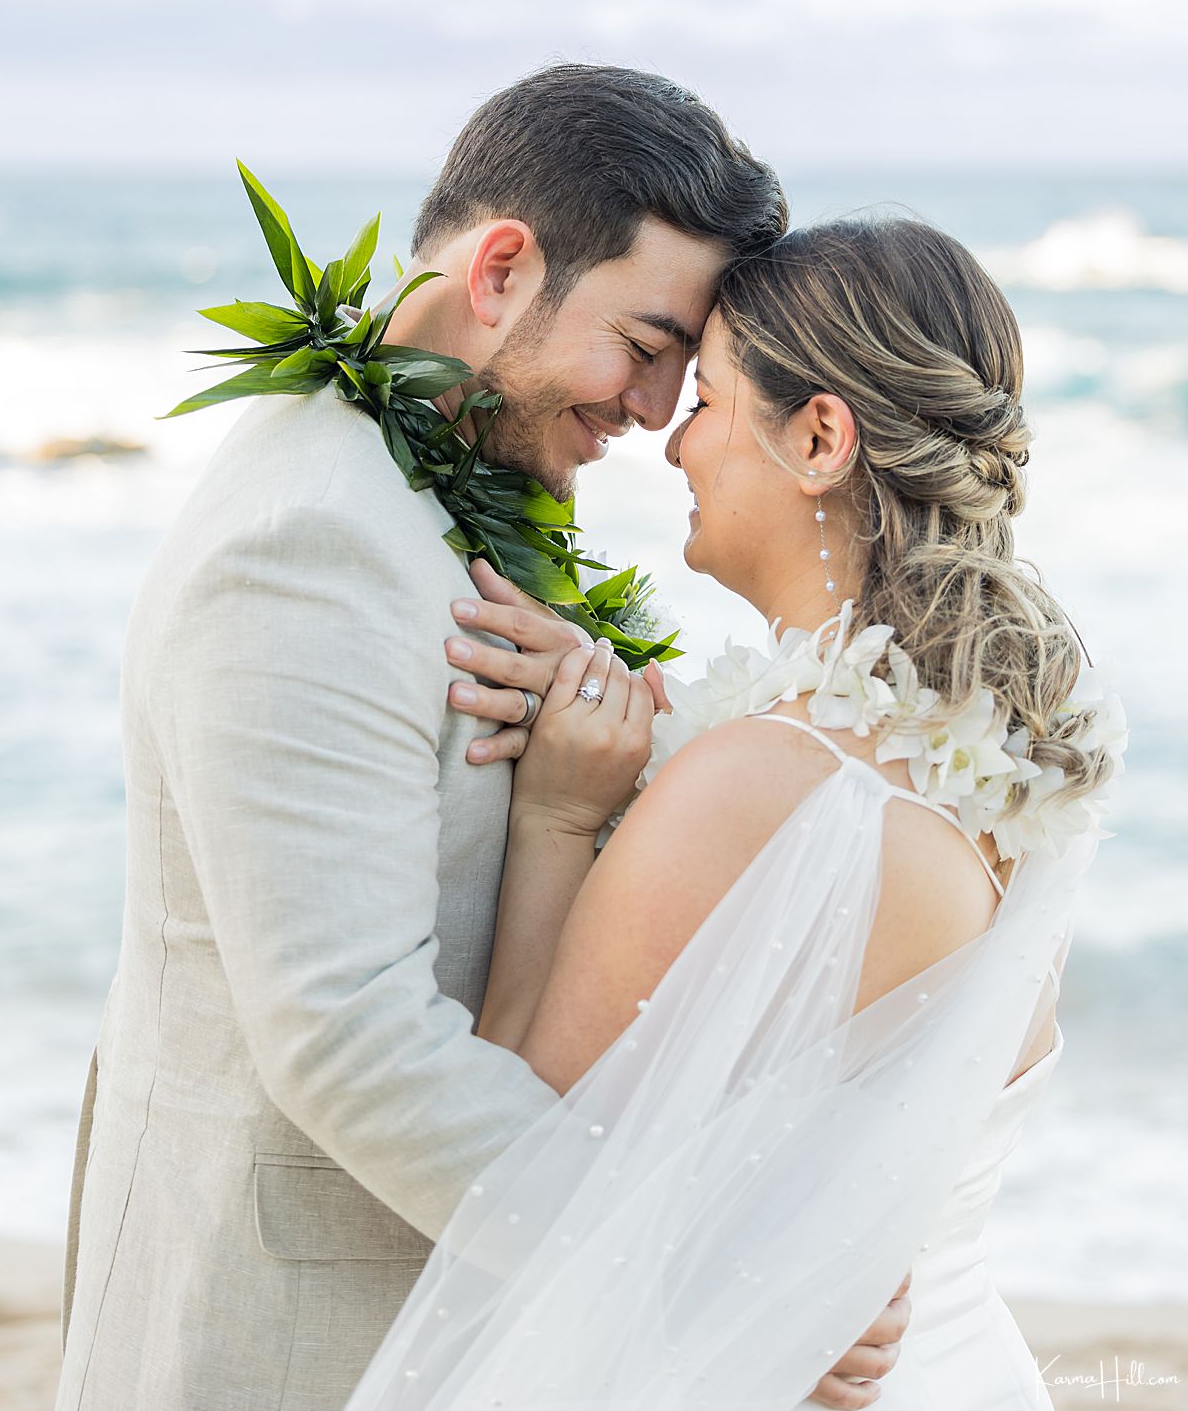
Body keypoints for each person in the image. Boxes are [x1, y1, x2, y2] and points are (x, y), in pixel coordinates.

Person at [55, 66, 905, 1410]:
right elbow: (351, 1039)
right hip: (288, 1336)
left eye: (679, 373)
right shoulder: (309, 548)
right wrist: (706, 1275)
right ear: (503, 268)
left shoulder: (437, 488)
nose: (649, 413)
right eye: (642, 346)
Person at [361, 214, 1124, 1409]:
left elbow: (519, 1161)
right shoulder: (1017, 770)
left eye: (708, 400)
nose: (672, 444)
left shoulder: (759, 786)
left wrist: (563, 817)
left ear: (821, 436)